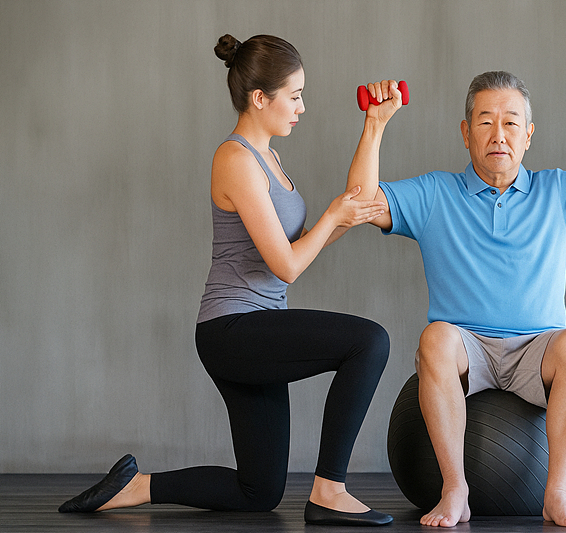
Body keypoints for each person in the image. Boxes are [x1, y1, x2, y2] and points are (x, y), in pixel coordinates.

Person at [58, 34, 394, 527]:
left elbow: (349, 213)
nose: (303, 106)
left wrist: (374, 128)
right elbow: (287, 265)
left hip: (255, 330)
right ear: (261, 98)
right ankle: (330, 490)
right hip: (232, 330)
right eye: (295, 95)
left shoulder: (272, 160)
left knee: (257, 490)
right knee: (370, 341)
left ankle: (135, 487)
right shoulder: (234, 160)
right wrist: (329, 216)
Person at [346, 72, 566, 528]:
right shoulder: (436, 193)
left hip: (538, 348)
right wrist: (374, 124)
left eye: (511, 123)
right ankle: (455, 490)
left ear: (528, 136)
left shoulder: (559, 192)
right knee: (434, 339)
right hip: (466, 349)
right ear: (466, 132)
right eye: (485, 121)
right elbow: (361, 200)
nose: (498, 134)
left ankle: (557, 494)